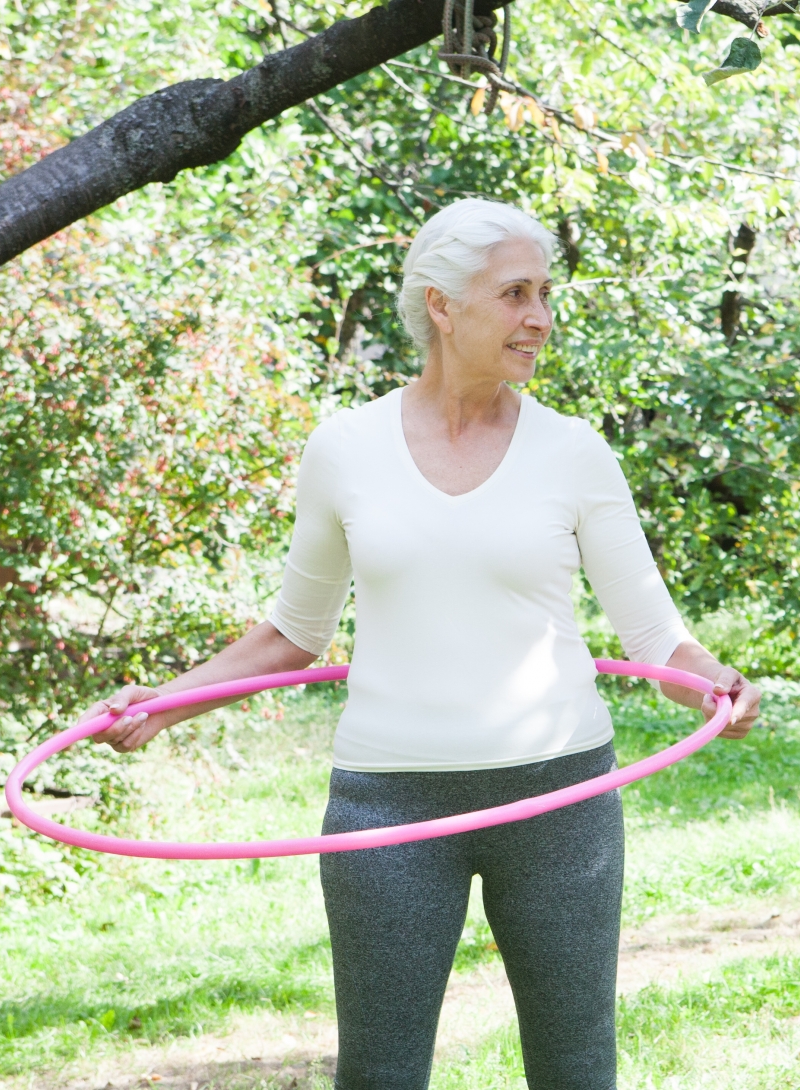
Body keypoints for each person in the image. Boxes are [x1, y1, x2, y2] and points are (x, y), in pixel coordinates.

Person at [83, 198, 761, 1090]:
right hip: (386, 805)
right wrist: (166, 704)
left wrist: (718, 687)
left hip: (560, 794)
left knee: (575, 1067)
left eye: (546, 293)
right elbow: (294, 635)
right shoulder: (346, 450)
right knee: (379, 1073)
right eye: (516, 294)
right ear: (441, 303)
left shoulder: (574, 452)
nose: (541, 318)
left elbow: (654, 637)